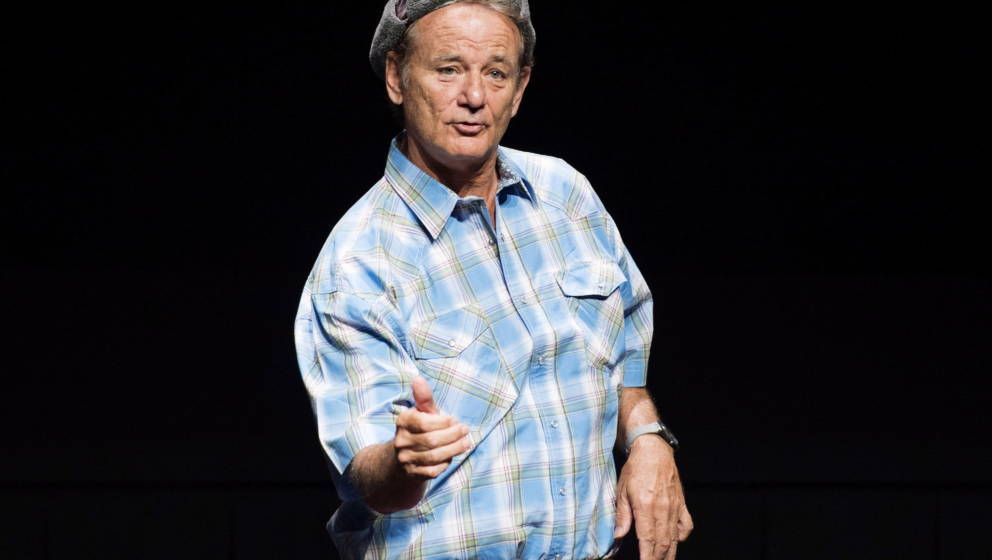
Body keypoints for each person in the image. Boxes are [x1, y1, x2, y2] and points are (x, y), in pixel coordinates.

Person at [294, 1, 693, 558]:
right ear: (396, 77)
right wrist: (405, 461)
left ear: (520, 86)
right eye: (448, 69)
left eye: (497, 73)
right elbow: (369, 477)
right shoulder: (359, 261)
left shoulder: (566, 195)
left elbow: (623, 349)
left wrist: (648, 438)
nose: (475, 96)